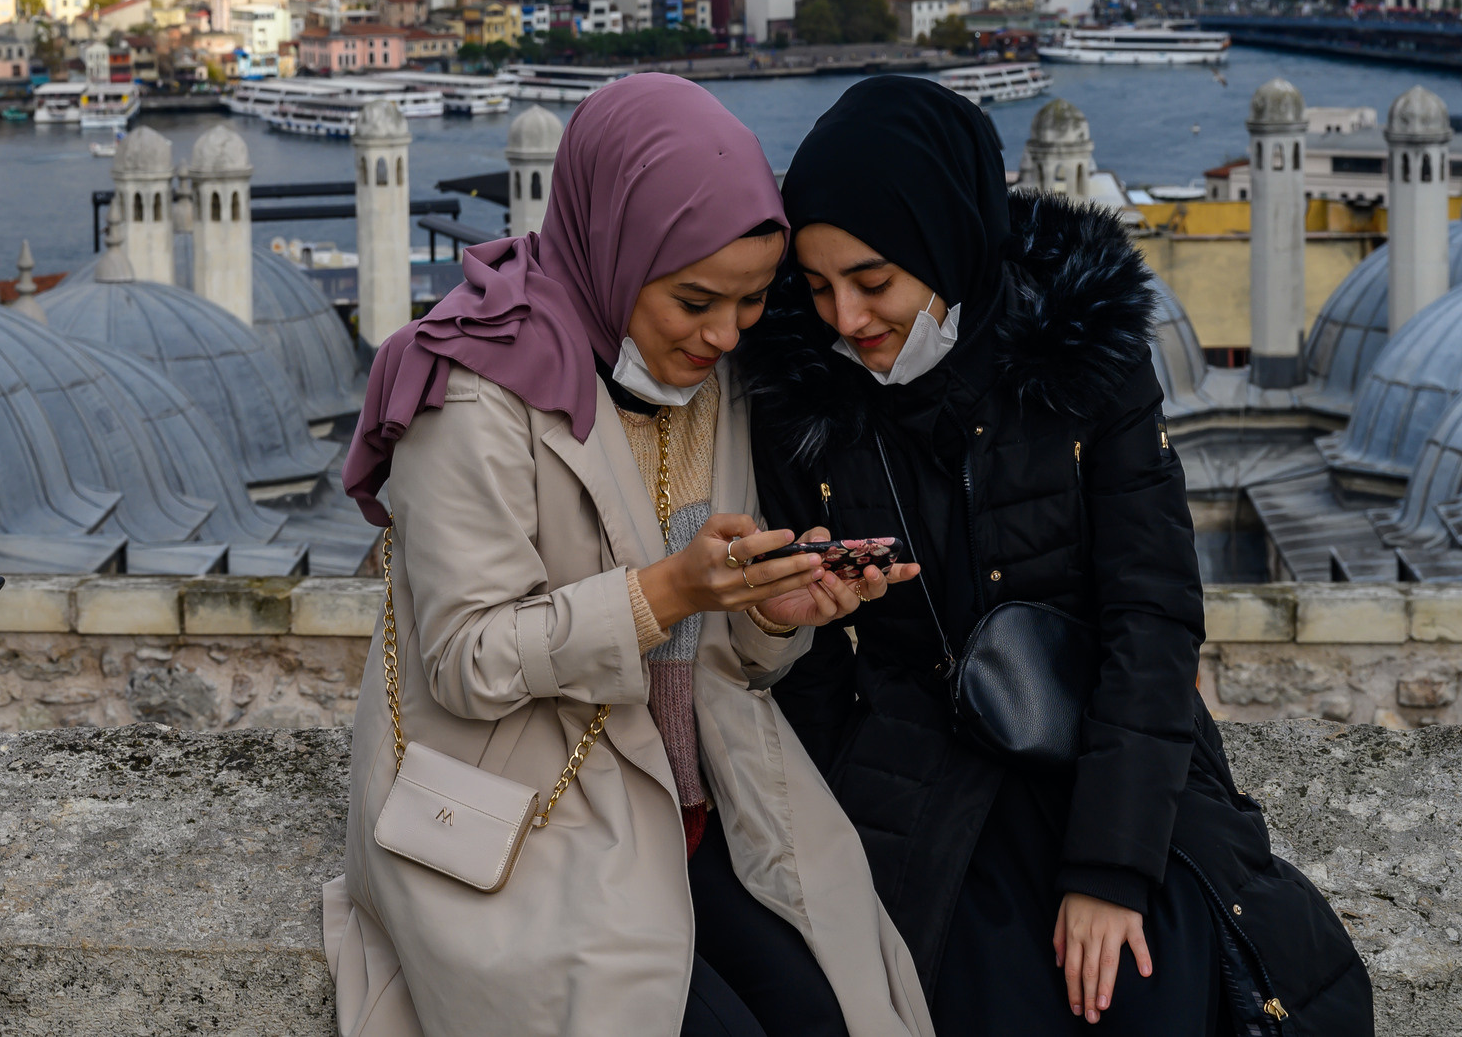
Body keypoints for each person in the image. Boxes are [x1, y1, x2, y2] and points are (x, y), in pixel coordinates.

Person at [741, 75, 1370, 1034]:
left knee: (1153, 980)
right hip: (921, 772)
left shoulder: (1087, 359)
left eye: (873, 282)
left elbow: (1151, 616)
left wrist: (1112, 866)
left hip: (1097, 745)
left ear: (946, 243)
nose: (844, 318)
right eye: (820, 286)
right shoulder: (804, 396)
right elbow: (814, 680)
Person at [321, 75, 933, 1037]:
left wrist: (776, 610)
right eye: (695, 299)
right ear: (616, 247)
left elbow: (725, 661)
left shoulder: (713, 377)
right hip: (537, 824)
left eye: (750, 303)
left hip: (688, 811)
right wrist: (662, 591)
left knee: (833, 1014)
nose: (725, 334)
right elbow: (465, 658)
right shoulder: (472, 390)